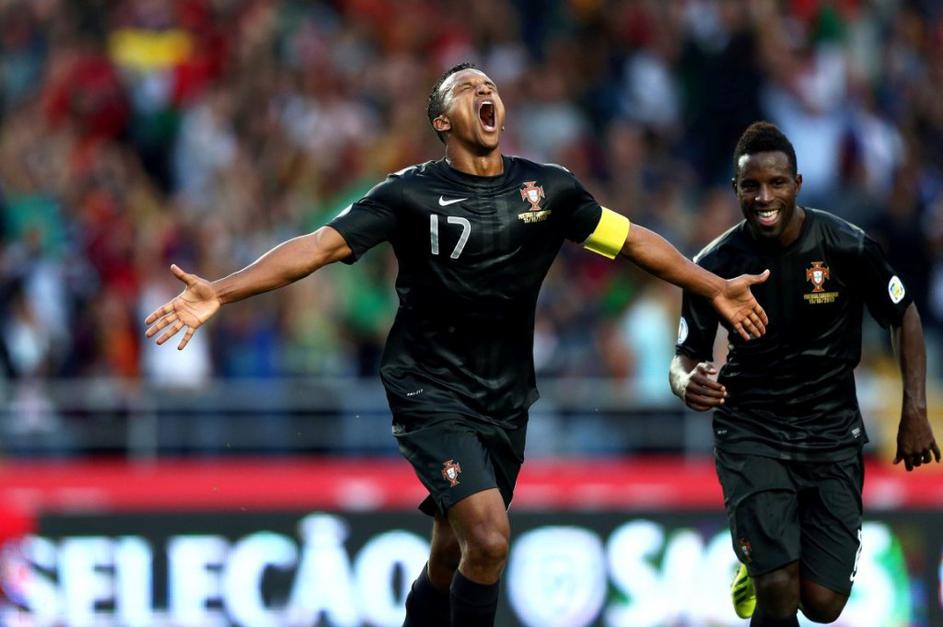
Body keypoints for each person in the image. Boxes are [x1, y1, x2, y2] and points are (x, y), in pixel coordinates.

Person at [144, 62, 770, 627]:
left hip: (506, 397)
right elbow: (318, 246)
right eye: (468, 88)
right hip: (429, 390)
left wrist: (714, 286)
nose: (485, 91)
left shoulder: (549, 190)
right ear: (443, 121)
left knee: (452, 553)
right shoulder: (408, 194)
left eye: (490, 86)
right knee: (490, 539)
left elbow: (631, 240)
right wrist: (220, 291)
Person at [669, 121, 940, 627]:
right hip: (752, 430)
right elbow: (684, 356)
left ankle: (757, 566)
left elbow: (904, 315)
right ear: (735, 189)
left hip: (832, 433)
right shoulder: (714, 264)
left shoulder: (846, 246)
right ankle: (763, 565)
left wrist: (915, 412)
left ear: (797, 183)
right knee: (778, 588)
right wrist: (688, 382)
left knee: (822, 604)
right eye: (751, 186)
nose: (764, 197)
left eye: (776, 183)